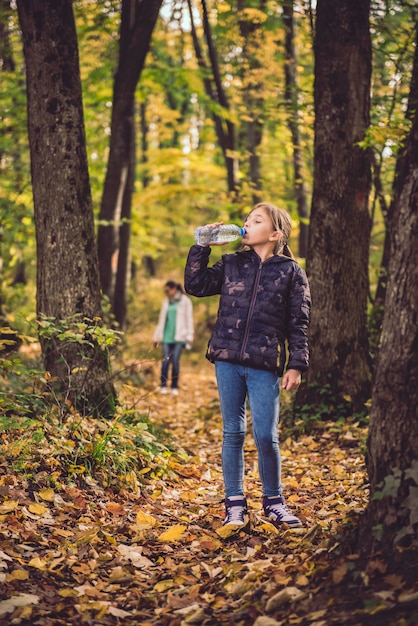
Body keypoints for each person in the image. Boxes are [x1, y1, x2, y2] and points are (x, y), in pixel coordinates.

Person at [184, 203, 311, 533]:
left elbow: (298, 322)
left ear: (274, 234)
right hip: (227, 359)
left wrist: (296, 365)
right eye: (246, 220)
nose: (246, 224)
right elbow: (195, 286)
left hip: (264, 364)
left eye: (256, 221)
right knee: (234, 432)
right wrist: (202, 246)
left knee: (266, 435)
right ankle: (235, 504)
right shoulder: (231, 263)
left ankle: (274, 502)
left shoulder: (290, 272)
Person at [153, 281, 194, 395]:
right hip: (166, 337)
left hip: (180, 337)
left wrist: (190, 335)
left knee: (175, 361)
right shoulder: (166, 302)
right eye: (165, 291)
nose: (166, 293)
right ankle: (163, 385)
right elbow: (161, 321)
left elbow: (189, 319)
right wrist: (156, 337)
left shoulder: (185, 301)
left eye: (167, 290)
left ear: (174, 289)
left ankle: (174, 386)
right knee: (165, 361)